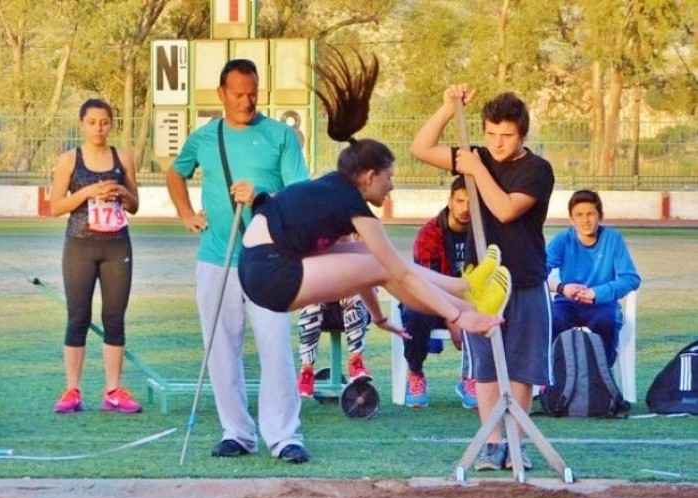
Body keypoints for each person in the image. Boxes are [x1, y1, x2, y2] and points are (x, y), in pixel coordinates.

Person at [236, 50, 511, 388]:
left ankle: (465, 286)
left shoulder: (331, 195)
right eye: (389, 177)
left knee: (372, 259)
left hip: (263, 266)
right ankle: (468, 300)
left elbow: (359, 268)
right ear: (368, 176)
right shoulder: (349, 203)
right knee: (387, 264)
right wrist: (456, 317)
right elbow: (397, 271)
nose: (392, 186)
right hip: (270, 273)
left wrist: (378, 316)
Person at [165, 58, 312, 464]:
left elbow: (299, 195)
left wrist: (262, 193)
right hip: (216, 257)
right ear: (221, 94)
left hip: (269, 258)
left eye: (253, 93)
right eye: (238, 94)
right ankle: (237, 432)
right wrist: (186, 213)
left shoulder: (282, 136)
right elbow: (175, 174)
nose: (247, 101)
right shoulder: (204, 138)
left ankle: (284, 436)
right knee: (220, 348)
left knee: (275, 346)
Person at [411, 84, 554, 472]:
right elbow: (421, 148)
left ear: (522, 134)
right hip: (482, 282)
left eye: (505, 135)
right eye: (490, 134)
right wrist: (444, 109)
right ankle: (493, 444)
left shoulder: (536, 170)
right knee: (487, 366)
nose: (496, 142)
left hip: (524, 278)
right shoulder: (478, 157)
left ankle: (516, 443)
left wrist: (475, 170)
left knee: (523, 366)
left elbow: (506, 209)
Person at [49, 98, 141, 414]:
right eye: (92, 122)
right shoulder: (69, 160)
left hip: (116, 246)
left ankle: (113, 390)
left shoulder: (122, 158)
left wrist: (120, 193)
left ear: (111, 124)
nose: (98, 128)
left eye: (104, 122)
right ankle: (72, 390)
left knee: (114, 317)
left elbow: (135, 203)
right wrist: (88, 193)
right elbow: (55, 206)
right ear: (81, 124)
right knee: (78, 317)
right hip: (80, 246)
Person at [401, 176, 477, 409]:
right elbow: (426, 285)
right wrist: (452, 316)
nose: (465, 208)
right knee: (414, 312)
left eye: (471, 202)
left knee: (494, 309)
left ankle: (472, 376)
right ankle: (415, 373)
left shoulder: (484, 232)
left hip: (470, 301)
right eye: (460, 201)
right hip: (431, 300)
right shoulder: (429, 234)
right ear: (450, 201)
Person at [546, 189, 641, 367]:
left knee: (606, 322)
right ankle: (554, 378)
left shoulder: (613, 238)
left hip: (602, 304)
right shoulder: (563, 239)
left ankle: (601, 377)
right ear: (571, 219)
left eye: (590, 214)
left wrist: (597, 293)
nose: (585, 220)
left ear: (600, 216)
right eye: (579, 215)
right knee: (552, 320)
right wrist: (562, 288)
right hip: (567, 303)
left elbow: (631, 278)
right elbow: (536, 274)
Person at [296, 296, 371, 398]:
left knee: (354, 297)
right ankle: (306, 372)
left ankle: (356, 362)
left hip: (354, 309)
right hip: (322, 312)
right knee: (311, 305)